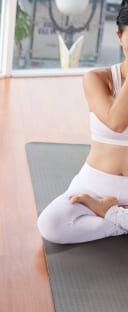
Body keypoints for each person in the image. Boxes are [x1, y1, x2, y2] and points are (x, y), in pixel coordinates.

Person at [37, 2, 128, 244]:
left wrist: (109, 212)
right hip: (95, 184)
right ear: (120, 36)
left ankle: (111, 214)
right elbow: (116, 122)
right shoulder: (99, 79)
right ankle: (120, 219)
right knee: (51, 225)